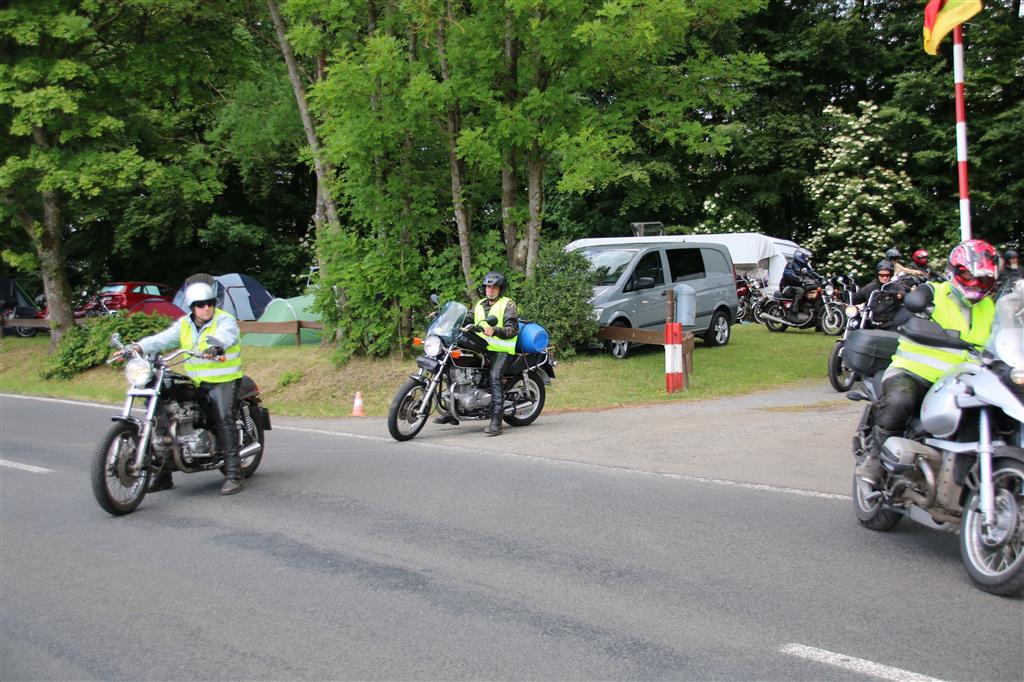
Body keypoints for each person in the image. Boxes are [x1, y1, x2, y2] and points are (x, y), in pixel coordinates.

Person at [856, 240, 1000, 483]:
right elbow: (904, 316)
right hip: (914, 373)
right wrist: (917, 316)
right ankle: (875, 458)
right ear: (955, 272)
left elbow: (1002, 336)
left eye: (984, 278)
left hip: (964, 381)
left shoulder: (990, 307)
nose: (977, 283)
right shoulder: (932, 293)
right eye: (970, 275)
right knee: (900, 400)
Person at [131, 281, 245, 495]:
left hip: (223, 380)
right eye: (201, 304)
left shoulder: (224, 320)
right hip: (196, 381)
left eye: (210, 303)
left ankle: (233, 474)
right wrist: (139, 346)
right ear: (192, 306)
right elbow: (163, 339)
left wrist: (216, 346)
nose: (206, 308)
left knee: (223, 418)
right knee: (163, 414)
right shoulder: (184, 324)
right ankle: (164, 474)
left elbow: (228, 335)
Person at [852, 260, 903, 329]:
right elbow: (855, 299)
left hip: (891, 325)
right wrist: (841, 295)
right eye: (881, 275)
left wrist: (897, 295)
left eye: (887, 275)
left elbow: (903, 295)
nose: (884, 277)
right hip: (872, 324)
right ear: (877, 274)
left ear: (891, 275)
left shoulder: (896, 286)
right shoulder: (870, 287)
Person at [779, 251, 819, 318]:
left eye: (807, 257)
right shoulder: (791, 263)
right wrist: (799, 279)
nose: (807, 259)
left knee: (813, 290)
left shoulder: (804, 266)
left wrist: (820, 278)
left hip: (797, 286)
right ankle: (793, 312)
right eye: (805, 257)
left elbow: (811, 273)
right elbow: (788, 274)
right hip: (786, 287)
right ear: (799, 256)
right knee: (800, 291)